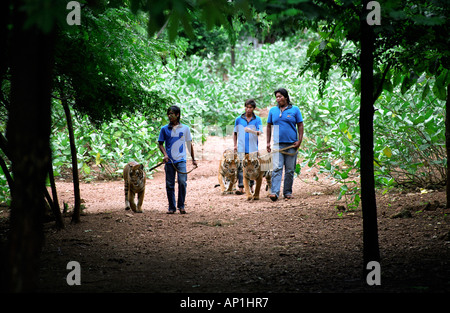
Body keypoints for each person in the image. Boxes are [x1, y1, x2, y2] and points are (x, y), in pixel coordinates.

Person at [158, 105, 197, 214]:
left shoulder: (185, 129)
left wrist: (193, 159)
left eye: (171, 114)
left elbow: (189, 144)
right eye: (168, 114)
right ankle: (171, 207)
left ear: (177, 115)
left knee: (182, 182)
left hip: (181, 160)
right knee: (169, 184)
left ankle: (181, 205)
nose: (169, 116)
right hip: (169, 161)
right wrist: (165, 154)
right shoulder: (164, 129)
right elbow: (160, 144)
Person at [266, 88, 303, 201]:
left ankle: (287, 192)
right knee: (277, 168)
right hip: (277, 144)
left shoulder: (295, 110)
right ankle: (274, 192)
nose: (278, 99)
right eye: (277, 97)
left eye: (280, 96)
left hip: (292, 145)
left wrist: (299, 140)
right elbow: (268, 126)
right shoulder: (273, 111)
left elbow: (300, 125)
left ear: (286, 97)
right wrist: (268, 142)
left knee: (290, 169)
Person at [233, 99, 263, 195]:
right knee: (241, 166)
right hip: (241, 147)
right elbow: (235, 133)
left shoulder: (257, 119)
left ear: (253, 108)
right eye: (246, 107)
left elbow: (260, 132)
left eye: (250, 107)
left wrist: (251, 131)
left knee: (252, 166)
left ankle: (251, 185)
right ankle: (241, 187)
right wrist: (235, 145)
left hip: (253, 148)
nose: (248, 109)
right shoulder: (239, 119)